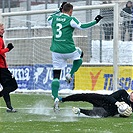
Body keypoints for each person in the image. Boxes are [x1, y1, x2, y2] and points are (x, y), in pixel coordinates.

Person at [47, 2, 103, 111]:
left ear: (62, 9)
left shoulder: (53, 18)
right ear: (71, 11)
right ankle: (70, 74)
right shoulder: (70, 19)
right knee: (79, 55)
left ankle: (55, 97)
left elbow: (49, 17)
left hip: (56, 51)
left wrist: (59, 10)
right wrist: (95, 21)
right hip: (69, 50)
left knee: (56, 76)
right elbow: (82, 26)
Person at [60, 89, 133, 117]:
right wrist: (116, 102)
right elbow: (108, 97)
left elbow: (122, 115)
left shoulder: (131, 106)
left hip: (108, 111)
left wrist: (124, 114)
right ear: (131, 93)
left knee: (99, 114)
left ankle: (80, 110)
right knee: (85, 96)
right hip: (102, 100)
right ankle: (63, 99)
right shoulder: (123, 93)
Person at [0, 23, 18, 112]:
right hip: (1, 68)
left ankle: (9, 107)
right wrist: (8, 49)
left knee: (6, 87)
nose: (4, 31)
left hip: (2, 67)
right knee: (13, 85)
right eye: (2, 29)